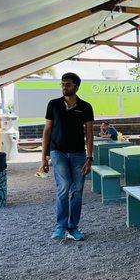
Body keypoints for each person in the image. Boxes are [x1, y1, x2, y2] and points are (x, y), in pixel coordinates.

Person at [41, 72, 94, 241]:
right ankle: (60, 227)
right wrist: (44, 157)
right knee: (63, 187)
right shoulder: (54, 104)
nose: (64, 87)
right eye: (62, 84)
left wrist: (89, 157)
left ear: (76, 87)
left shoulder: (86, 107)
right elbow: (47, 131)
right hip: (58, 152)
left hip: (79, 154)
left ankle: (73, 227)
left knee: (77, 191)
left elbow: (90, 133)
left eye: (68, 84)